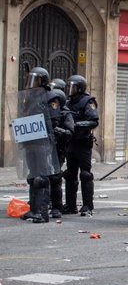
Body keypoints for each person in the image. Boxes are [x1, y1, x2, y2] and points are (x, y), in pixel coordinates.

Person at [19, 67, 62, 223]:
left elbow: (54, 120)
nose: (31, 82)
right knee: (32, 176)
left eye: (34, 79)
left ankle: (43, 212)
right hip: (30, 141)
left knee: (41, 178)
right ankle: (34, 209)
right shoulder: (28, 97)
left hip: (43, 142)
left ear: (42, 80)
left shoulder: (51, 97)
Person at [64, 75, 99, 216]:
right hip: (70, 142)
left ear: (80, 88)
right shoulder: (67, 102)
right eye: (69, 86)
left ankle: (87, 206)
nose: (70, 90)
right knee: (70, 174)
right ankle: (71, 205)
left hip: (83, 143)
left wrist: (77, 125)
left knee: (85, 174)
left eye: (73, 87)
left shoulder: (88, 101)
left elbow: (94, 121)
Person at [47, 89, 75, 219]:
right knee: (38, 178)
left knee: (55, 178)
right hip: (43, 148)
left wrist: (55, 130)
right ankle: (39, 205)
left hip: (58, 149)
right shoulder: (46, 111)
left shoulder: (65, 113)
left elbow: (69, 132)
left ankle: (57, 207)